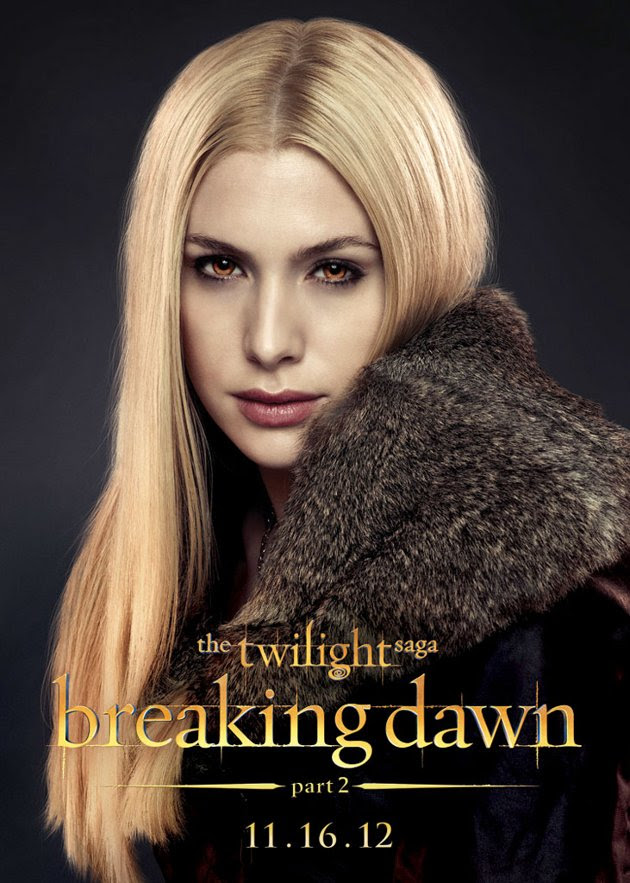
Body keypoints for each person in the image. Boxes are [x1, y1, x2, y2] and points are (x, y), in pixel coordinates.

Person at [45, 17, 630, 883]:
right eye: (219, 267)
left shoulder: (543, 614)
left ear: (420, 270)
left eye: (334, 271)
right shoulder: (191, 564)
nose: (268, 340)